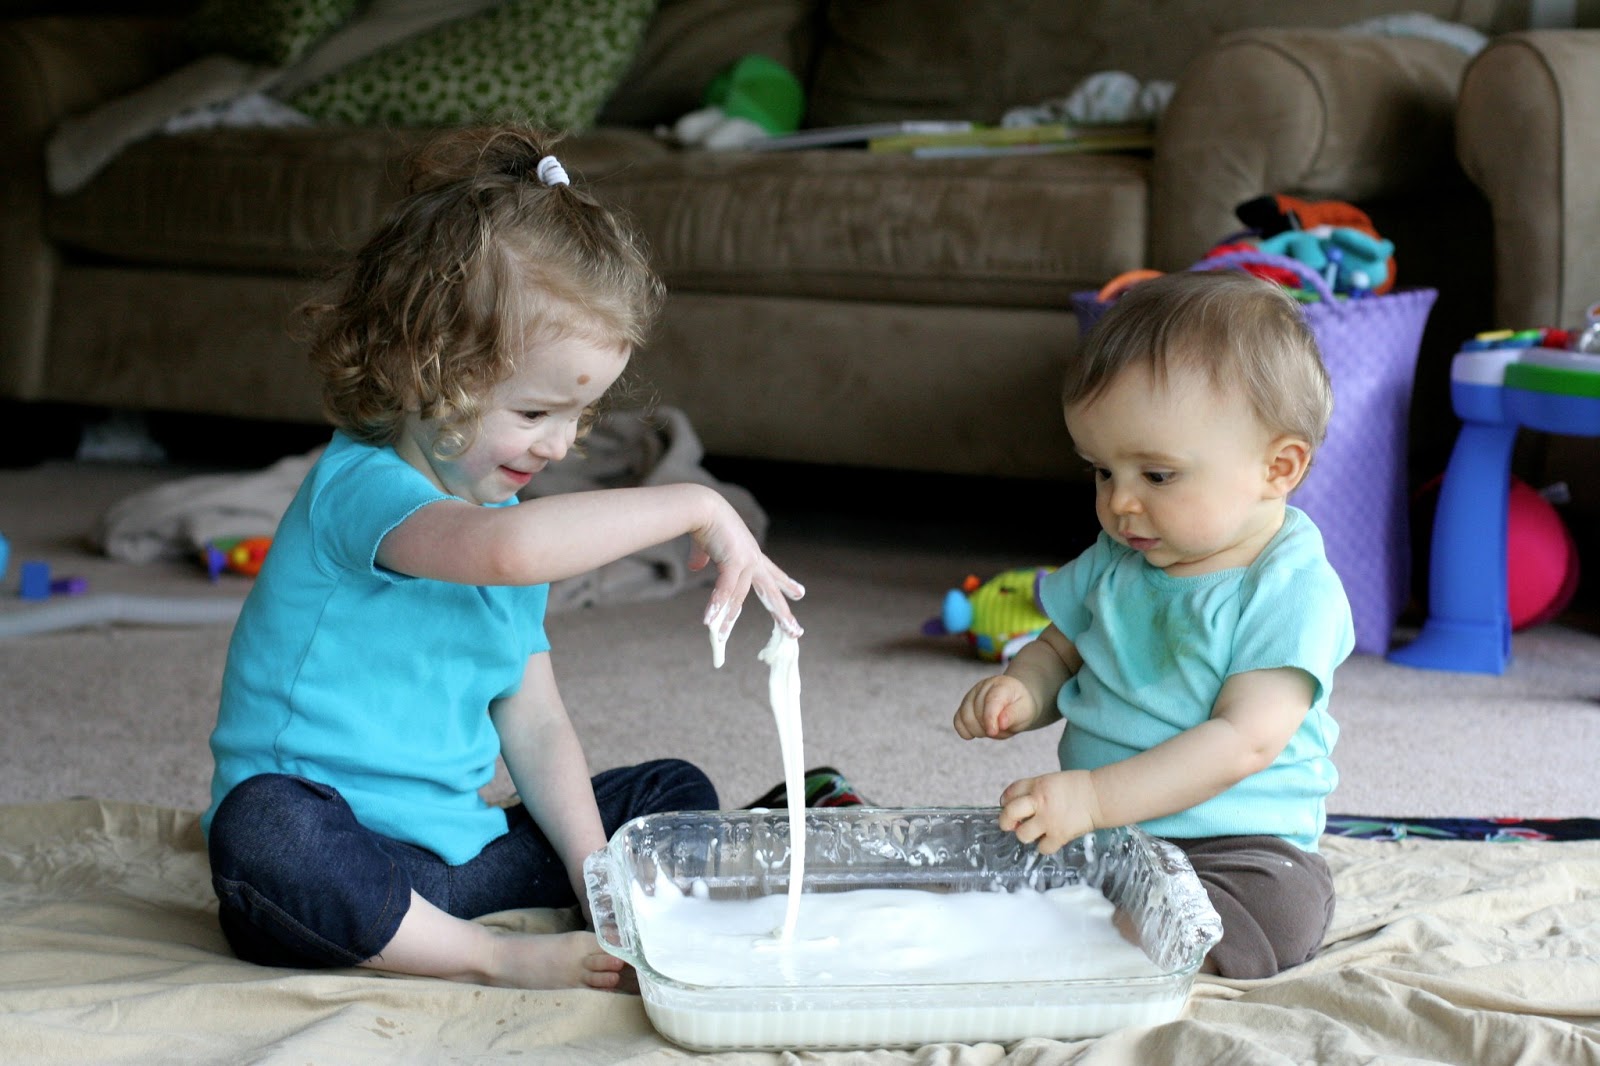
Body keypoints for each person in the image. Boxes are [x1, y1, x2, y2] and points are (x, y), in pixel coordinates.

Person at [202, 125, 805, 992]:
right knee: (262, 829)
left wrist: (600, 880)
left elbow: (537, 722)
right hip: (326, 861)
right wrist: (696, 502)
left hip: (458, 865)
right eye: (533, 415)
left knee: (671, 792)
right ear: (422, 367)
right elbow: (512, 555)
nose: (561, 445)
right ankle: (493, 959)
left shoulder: (500, 512)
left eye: (580, 416)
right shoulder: (360, 489)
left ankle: (593, 912)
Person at [953, 269, 1354, 979]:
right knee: (985, 877)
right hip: (1103, 836)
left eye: (1157, 476)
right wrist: (1023, 687)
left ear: (1278, 467)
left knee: (1267, 909)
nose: (1121, 505)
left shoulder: (1290, 589)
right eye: (1103, 472)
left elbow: (1243, 743)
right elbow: (1060, 647)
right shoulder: (1117, 559)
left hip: (1238, 846)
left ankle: (1137, 940)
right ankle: (1094, 926)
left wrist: (1095, 796)